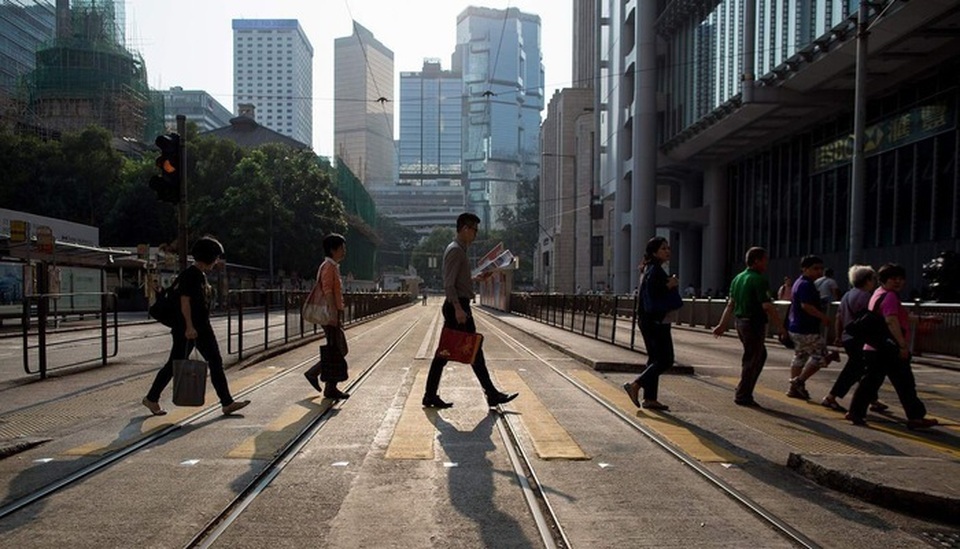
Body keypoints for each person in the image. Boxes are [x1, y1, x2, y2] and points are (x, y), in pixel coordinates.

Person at [142, 236, 250, 416]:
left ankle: (226, 402)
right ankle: (151, 398)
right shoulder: (191, 275)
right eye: (215, 257)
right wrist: (189, 327)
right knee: (177, 364)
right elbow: (185, 302)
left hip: (199, 327)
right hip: (190, 329)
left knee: (212, 361)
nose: (217, 261)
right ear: (208, 256)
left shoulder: (198, 275)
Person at [422, 213, 518, 409]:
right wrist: (458, 308)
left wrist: (477, 279)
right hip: (457, 307)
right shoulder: (456, 250)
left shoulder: (459, 250)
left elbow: (458, 281)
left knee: (456, 351)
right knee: (464, 351)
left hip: (459, 306)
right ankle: (490, 393)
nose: (476, 234)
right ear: (465, 229)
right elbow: (449, 284)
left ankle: (431, 395)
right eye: (474, 230)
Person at [846, 264, 939, 429]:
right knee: (905, 384)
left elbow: (900, 317)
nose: (898, 282)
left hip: (874, 347)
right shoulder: (890, 297)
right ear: (883, 280)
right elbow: (891, 320)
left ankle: (856, 412)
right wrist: (902, 345)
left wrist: (925, 319)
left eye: (900, 278)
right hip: (889, 349)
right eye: (893, 278)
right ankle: (916, 417)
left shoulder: (877, 294)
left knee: (871, 383)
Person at [712, 247, 787, 407]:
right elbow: (767, 306)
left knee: (757, 356)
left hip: (740, 322)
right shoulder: (759, 279)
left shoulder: (737, 278)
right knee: (752, 359)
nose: (767, 263)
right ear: (757, 260)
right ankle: (743, 394)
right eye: (765, 259)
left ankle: (743, 390)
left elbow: (730, 305)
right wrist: (781, 327)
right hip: (753, 323)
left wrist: (722, 324)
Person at [623, 237, 683, 410]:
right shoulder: (655, 270)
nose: (667, 251)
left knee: (654, 359)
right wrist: (669, 285)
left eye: (668, 248)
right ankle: (636, 385)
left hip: (648, 320)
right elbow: (655, 295)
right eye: (663, 248)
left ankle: (650, 399)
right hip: (656, 320)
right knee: (666, 359)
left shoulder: (649, 269)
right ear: (655, 252)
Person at [821, 265, 888, 412]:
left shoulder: (847, 295)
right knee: (856, 370)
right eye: (873, 279)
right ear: (867, 280)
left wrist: (838, 336)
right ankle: (831, 397)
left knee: (862, 369)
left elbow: (839, 317)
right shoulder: (865, 297)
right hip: (860, 338)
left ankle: (872, 399)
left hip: (848, 337)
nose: (875, 282)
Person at [784, 255, 841, 400]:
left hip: (796, 326)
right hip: (806, 328)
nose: (819, 272)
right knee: (820, 357)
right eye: (815, 269)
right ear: (805, 269)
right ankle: (798, 381)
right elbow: (806, 306)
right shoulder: (806, 284)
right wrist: (823, 317)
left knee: (800, 356)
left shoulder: (799, 282)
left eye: (821, 269)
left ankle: (794, 388)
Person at [304, 233, 350, 400]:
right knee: (338, 349)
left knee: (336, 349)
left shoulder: (332, 266)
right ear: (333, 249)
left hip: (334, 313)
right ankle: (317, 377)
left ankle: (328, 385)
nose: (344, 251)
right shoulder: (328, 267)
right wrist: (332, 312)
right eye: (341, 248)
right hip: (331, 314)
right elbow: (328, 290)